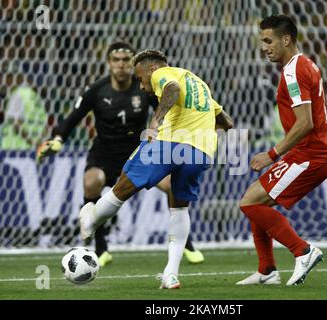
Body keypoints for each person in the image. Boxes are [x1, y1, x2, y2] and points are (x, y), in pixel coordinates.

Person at [36, 41, 205, 266]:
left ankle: (186, 242)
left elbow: (169, 102)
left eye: (126, 60)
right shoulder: (97, 90)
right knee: (91, 182)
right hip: (104, 152)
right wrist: (57, 139)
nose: (121, 65)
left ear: (133, 64)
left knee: (171, 184)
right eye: (116, 60)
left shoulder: (144, 87)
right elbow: (73, 118)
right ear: (109, 63)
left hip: (135, 149)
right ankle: (101, 247)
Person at [78, 49, 234, 289]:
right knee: (180, 209)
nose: (141, 86)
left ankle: (91, 222)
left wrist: (155, 120)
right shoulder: (199, 84)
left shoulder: (163, 73)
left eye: (141, 78)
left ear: (151, 69)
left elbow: (172, 90)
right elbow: (227, 122)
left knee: (123, 186)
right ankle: (171, 274)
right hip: (201, 152)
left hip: (169, 143)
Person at [237, 15, 327, 286]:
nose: (264, 47)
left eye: (269, 41)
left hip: (311, 155)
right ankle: (267, 270)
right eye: (262, 41)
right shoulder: (305, 64)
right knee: (253, 199)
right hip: (307, 152)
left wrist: (271, 154)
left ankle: (302, 251)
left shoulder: (293, 71)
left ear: (286, 39)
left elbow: (305, 123)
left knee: (249, 203)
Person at [1, 72, 47, 150]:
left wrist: (32, 143)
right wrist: (38, 144)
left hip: (14, 149)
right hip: (34, 150)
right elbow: (44, 126)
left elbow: (16, 125)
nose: (5, 81)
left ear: (19, 77)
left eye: (8, 77)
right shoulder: (36, 98)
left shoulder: (18, 95)